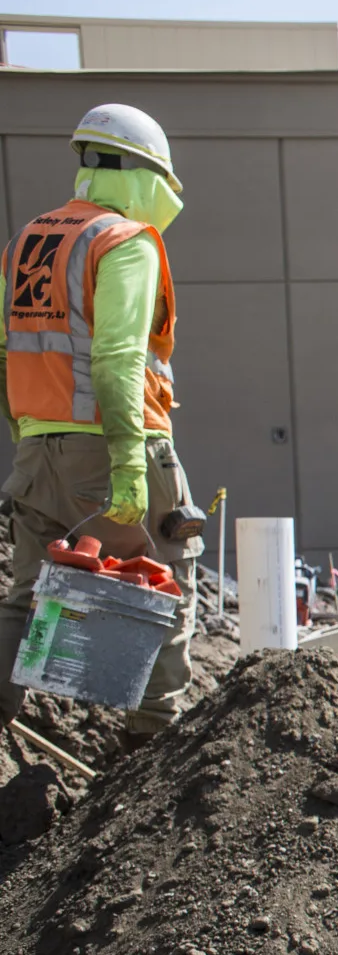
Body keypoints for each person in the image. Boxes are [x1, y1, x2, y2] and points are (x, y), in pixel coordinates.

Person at [0, 104, 203, 747]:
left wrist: (29, 435)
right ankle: (153, 760)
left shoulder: (27, 242)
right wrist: (124, 465)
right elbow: (116, 360)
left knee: (27, 595)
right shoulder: (126, 242)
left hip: (38, 455)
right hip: (119, 444)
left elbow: (5, 352)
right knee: (165, 582)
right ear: (139, 171)